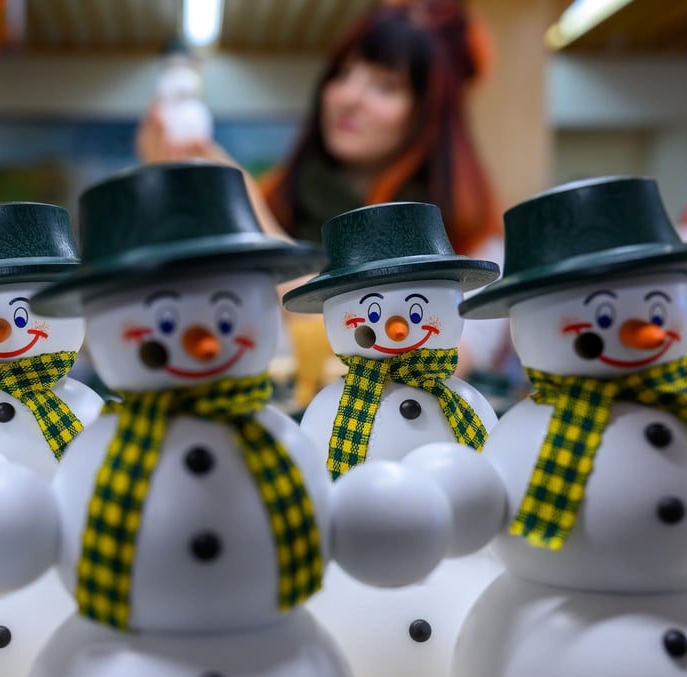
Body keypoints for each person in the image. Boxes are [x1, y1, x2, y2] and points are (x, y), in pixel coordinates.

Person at [137, 0, 509, 403]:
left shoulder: (471, 247)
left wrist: (245, 211)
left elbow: (425, 365)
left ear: (428, 116)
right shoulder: (275, 203)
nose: (348, 97)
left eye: (386, 85)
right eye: (344, 73)